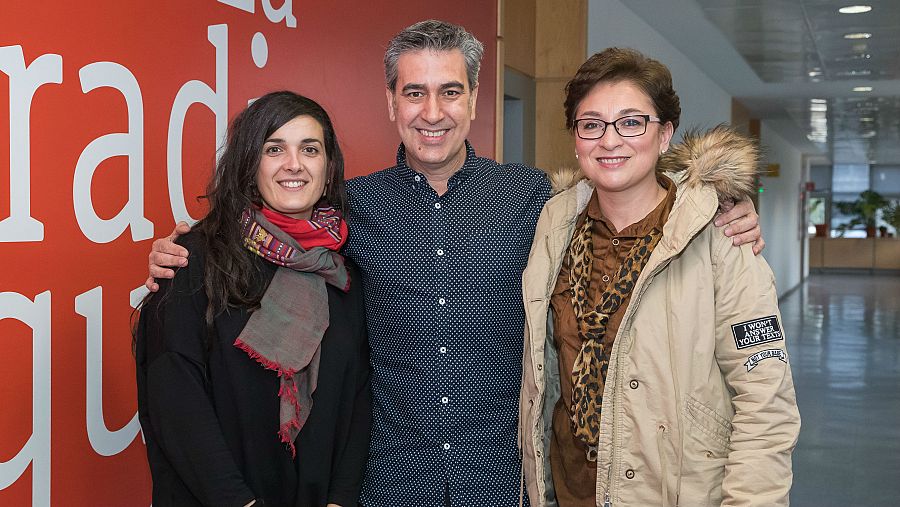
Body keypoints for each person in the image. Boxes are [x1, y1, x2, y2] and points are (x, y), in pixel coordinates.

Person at [144, 21, 763, 507]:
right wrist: (183, 255)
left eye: (449, 91)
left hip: (502, 488)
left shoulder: (534, 202)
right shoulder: (350, 210)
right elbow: (267, 238)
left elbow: (630, 193)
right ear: (391, 102)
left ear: (473, 101)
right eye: (414, 92)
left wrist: (723, 205)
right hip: (386, 489)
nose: (432, 111)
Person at [519, 48, 801, 507]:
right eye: (591, 124)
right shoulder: (553, 225)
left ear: (665, 133)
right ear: (575, 138)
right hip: (569, 491)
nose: (610, 141)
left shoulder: (720, 236)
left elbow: (765, 400)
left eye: (632, 122)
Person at [134, 91, 371, 507]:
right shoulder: (194, 259)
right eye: (274, 148)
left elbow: (358, 395)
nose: (293, 164)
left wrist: (340, 498)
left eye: (309, 149)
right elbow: (176, 400)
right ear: (249, 163)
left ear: (329, 168)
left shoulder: (342, 270)